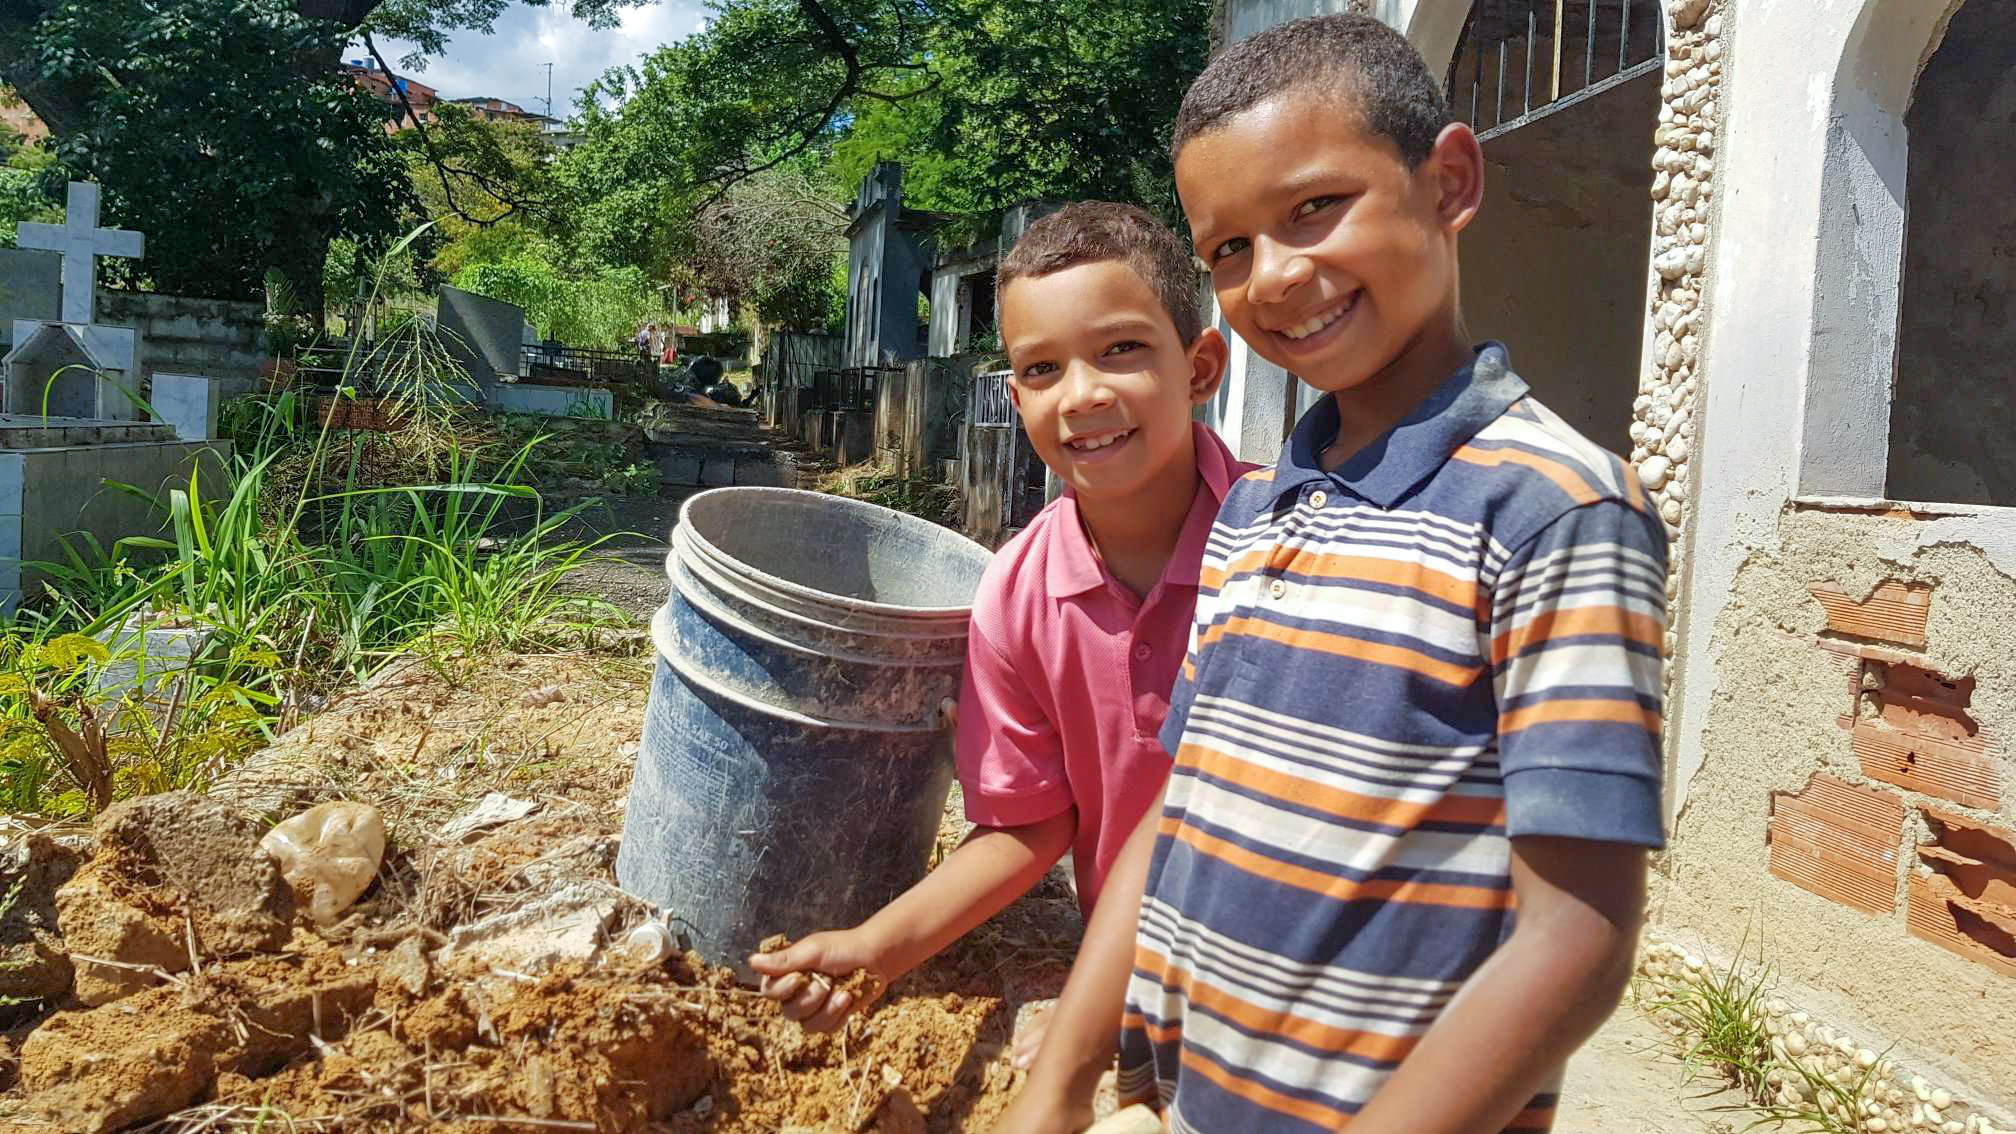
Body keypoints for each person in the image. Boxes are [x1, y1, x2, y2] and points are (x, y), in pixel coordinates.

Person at [997, 14, 1669, 1134]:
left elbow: (1577, 942)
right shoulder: (1255, 513)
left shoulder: (1553, 509)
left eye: (1316, 209)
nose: (1278, 276)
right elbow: (1180, 814)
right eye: (1229, 249)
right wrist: (1061, 1081)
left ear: (1449, 180)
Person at [748, 203, 1249, 1059]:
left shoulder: (1291, 542)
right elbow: (1031, 825)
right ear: (1015, 397)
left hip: (1323, 976)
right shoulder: (1017, 595)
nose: (1083, 394)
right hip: (1142, 992)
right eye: (1043, 368)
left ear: (1201, 366)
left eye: (1122, 349)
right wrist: (878, 949)